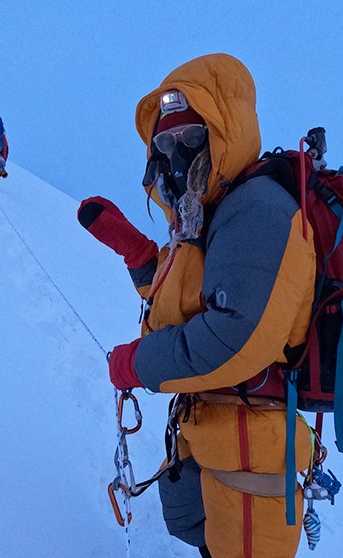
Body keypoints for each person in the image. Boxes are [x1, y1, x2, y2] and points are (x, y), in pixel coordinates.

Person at [77, 53, 317, 557]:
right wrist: (140, 256)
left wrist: (135, 364)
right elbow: (191, 303)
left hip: (251, 449)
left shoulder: (258, 210)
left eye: (191, 137)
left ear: (224, 132)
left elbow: (234, 339)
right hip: (217, 429)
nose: (177, 152)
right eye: (165, 143)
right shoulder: (206, 216)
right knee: (193, 529)